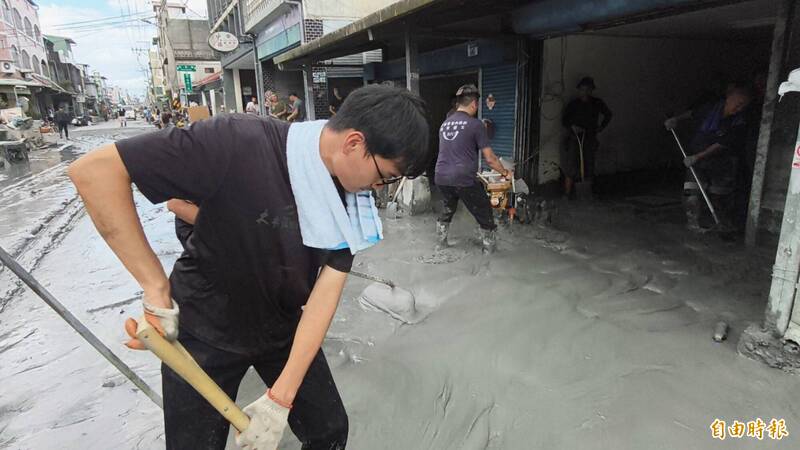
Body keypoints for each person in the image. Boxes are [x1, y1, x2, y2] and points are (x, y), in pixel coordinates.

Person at [67, 84, 431, 450]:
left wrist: (280, 400)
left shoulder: (351, 202)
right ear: (354, 143)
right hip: (203, 330)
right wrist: (154, 285)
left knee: (328, 431)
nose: (379, 188)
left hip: (282, 327)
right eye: (385, 176)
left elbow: (324, 298)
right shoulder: (237, 141)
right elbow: (95, 172)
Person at [434, 84, 512, 254]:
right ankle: (489, 252)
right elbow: (490, 159)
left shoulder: (445, 124)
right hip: (463, 178)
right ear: (474, 104)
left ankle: (440, 244)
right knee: (484, 211)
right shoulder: (476, 125)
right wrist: (506, 173)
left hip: (441, 176)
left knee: (448, 208)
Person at [664, 86, 752, 234]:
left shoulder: (739, 122)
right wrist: (676, 119)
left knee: (720, 196)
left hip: (722, 163)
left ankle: (723, 224)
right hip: (697, 157)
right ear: (729, 99)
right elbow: (693, 113)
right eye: (738, 103)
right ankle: (693, 223)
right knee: (692, 192)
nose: (739, 108)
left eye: (743, 106)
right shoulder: (712, 108)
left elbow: (721, 144)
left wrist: (696, 157)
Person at [560, 76, 612, 199]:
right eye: (582, 89)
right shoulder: (573, 104)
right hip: (575, 138)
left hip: (589, 138)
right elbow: (564, 120)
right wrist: (572, 127)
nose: (584, 92)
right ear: (579, 90)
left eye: (587, 89)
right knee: (571, 165)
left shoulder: (596, 103)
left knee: (589, 165)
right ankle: (567, 193)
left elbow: (608, 115)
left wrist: (601, 127)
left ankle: (587, 192)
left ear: (591, 90)